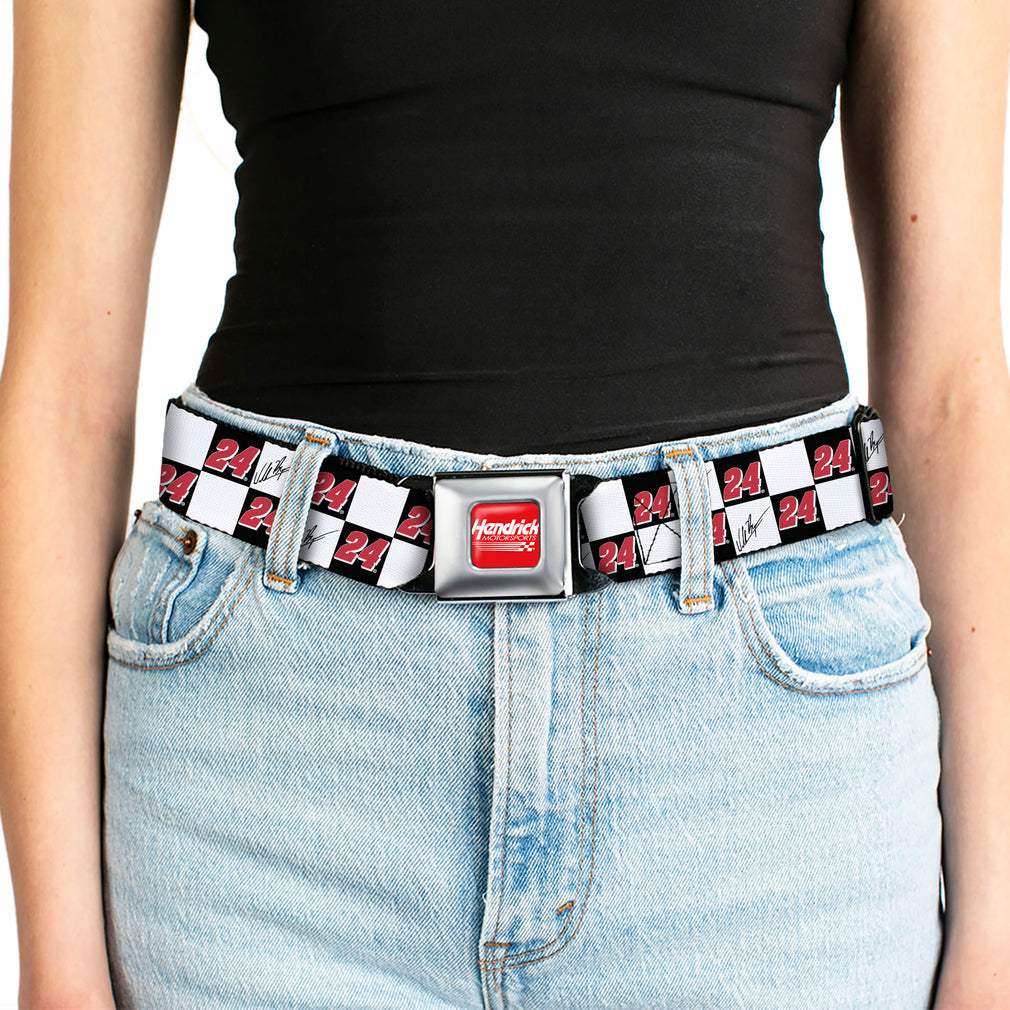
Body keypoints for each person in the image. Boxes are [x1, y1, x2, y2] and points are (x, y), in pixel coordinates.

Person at [1, 0, 1008, 1006]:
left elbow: (953, 388)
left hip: (772, 791)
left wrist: (997, 935)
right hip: (269, 782)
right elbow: (62, 393)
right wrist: (56, 960)